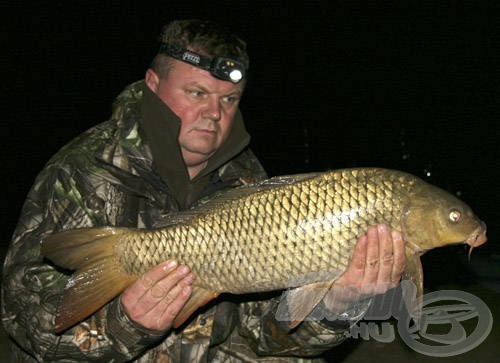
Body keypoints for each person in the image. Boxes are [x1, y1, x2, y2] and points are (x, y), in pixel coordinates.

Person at [1, 19, 405, 362]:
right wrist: (125, 323)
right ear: (152, 85)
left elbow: (264, 334)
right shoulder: (83, 170)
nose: (215, 112)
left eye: (229, 99)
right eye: (197, 93)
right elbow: (23, 316)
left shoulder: (250, 184)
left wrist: (336, 305)